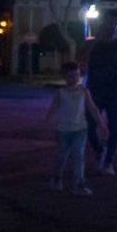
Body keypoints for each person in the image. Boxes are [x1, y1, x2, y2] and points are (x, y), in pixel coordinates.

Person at [85, 10, 117, 175]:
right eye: (109, 23)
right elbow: (80, 58)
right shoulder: (92, 43)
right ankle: (100, 152)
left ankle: (108, 161)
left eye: (114, 24)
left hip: (114, 89)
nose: (112, 27)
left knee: (113, 126)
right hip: (94, 89)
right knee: (90, 126)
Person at [46, 61, 103, 196]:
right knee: (62, 156)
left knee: (79, 156)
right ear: (65, 77)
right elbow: (53, 108)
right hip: (63, 130)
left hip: (80, 129)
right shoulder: (60, 93)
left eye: (77, 75)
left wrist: (101, 124)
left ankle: (79, 184)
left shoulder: (84, 91)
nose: (75, 78)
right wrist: (48, 122)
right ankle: (57, 177)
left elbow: (92, 108)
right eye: (71, 75)